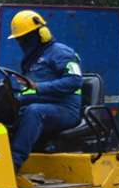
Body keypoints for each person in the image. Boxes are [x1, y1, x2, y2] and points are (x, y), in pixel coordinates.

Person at [8, 10, 83, 171]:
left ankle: (14, 162)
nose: (22, 43)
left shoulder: (60, 52)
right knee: (4, 110)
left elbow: (75, 80)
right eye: (19, 39)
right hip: (44, 105)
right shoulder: (32, 59)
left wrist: (39, 87)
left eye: (25, 38)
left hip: (66, 109)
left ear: (42, 33)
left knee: (34, 112)